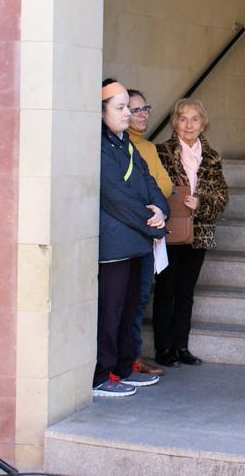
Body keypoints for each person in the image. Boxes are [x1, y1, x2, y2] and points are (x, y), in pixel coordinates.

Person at [94, 79, 167, 398]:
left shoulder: (126, 144)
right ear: (101, 111)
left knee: (131, 311)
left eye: (130, 107)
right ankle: (101, 374)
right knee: (111, 312)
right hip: (116, 245)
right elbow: (114, 195)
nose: (129, 114)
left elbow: (149, 182)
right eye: (121, 108)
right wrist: (152, 224)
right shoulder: (97, 145)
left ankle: (124, 367)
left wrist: (162, 211)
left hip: (138, 242)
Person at [154, 99, 229, 367]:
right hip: (170, 230)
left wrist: (202, 203)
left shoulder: (212, 156)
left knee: (186, 292)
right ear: (175, 122)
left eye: (195, 119)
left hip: (200, 231)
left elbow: (222, 195)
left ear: (203, 123)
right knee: (166, 290)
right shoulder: (161, 152)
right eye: (183, 118)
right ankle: (164, 349)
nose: (189, 124)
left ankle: (181, 347)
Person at [126, 89, 173, 376]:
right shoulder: (117, 146)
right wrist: (149, 201)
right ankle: (125, 360)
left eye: (146, 109)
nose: (143, 115)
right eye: (135, 109)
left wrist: (154, 204)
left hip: (149, 229)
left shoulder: (148, 147)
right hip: (131, 229)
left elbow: (165, 186)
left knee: (140, 298)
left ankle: (133, 357)